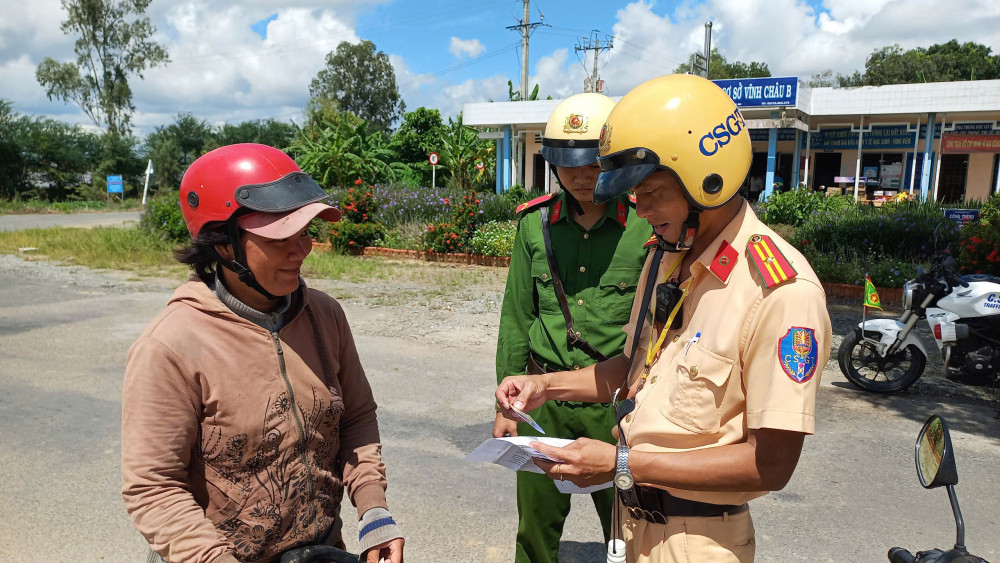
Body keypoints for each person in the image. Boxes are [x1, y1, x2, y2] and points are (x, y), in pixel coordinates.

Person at [495, 74, 832, 563]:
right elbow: (634, 368)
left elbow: (771, 466)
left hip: (698, 541)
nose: (640, 209)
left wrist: (620, 463)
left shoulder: (779, 294)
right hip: (635, 529)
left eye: (651, 192)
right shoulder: (669, 257)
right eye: (635, 194)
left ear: (707, 179)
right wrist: (546, 386)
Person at [121, 144, 404, 563]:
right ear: (223, 245)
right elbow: (153, 487)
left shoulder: (325, 316)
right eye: (280, 238)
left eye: (305, 232)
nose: (302, 249)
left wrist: (373, 509)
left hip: (320, 548)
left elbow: (357, 417)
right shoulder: (171, 345)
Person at [495, 93, 652, 563]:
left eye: (593, 166)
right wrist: (504, 402)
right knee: (535, 530)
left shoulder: (645, 228)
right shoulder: (534, 224)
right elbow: (517, 316)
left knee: (628, 529)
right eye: (569, 167)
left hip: (616, 403)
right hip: (544, 404)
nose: (581, 178)